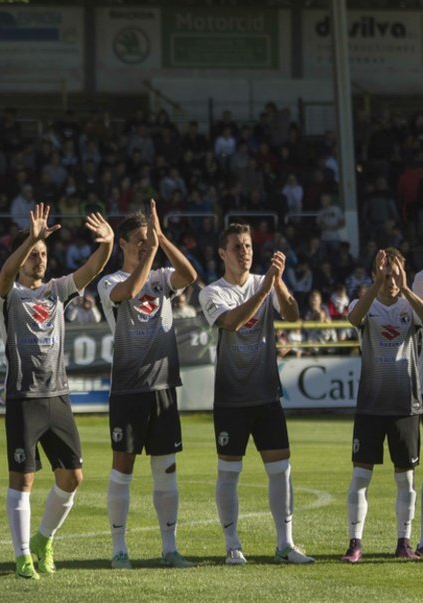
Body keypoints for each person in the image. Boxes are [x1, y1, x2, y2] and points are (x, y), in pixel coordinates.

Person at [0, 203, 113, 579]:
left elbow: (91, 270)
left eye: (44, 254)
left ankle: (44, 539)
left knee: (73, 478)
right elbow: (3, 275)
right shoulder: (8, 296)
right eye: (33, 254)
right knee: (23, 479)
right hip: (23, 398)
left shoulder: (56, 291)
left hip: (58, 396)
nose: (40, 259)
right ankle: (22, 555)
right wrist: (31, 237)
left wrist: (107, 245)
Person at [198, 223, 315, 565]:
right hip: (231, 399)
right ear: (222, 254)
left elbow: (293, 315)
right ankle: (232, 545)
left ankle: (285, 544)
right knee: (229, 473)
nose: (244, 252)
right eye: (236, 247)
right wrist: (264, 291)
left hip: (266, 395)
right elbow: (232, 322)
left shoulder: (265, 281)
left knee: (281, 470)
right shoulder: (212, 292)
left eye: (248, 246)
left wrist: (277, 282)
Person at [98, 201, 198, 569]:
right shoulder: (109, 282)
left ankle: (169, 548)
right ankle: (119, 549)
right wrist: (152, 251)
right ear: (122, 243)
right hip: (128, 390)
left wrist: (163, 238)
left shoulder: (162, 278)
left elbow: (189, 275)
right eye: (139, 239)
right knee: (123, 467)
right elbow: (129, 289)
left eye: (148, 238)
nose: (145, 244)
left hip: (163, 387)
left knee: (166, 468)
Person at [343, 249, 423, 562]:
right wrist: (376, 285)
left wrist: (405, 289)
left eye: (396, 273)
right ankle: (355, 542)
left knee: (406, 480)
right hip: (370, 407)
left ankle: (403, 541)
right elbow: (353, 318)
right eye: (386, 274)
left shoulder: (410, 307)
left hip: (406, 407)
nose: (391, 280)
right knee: (361, 477)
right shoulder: (365, 303)